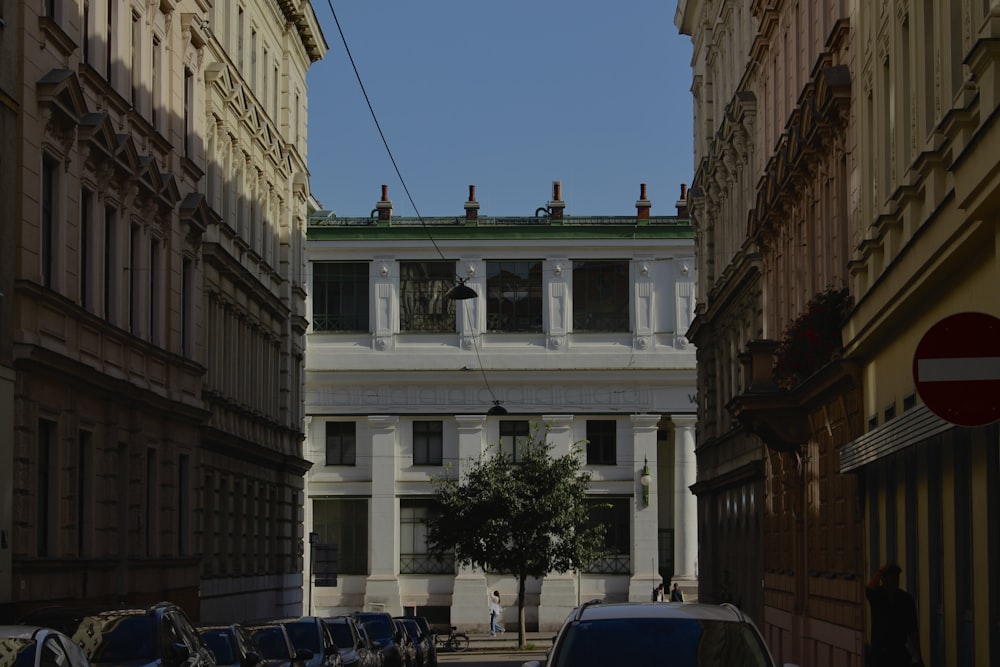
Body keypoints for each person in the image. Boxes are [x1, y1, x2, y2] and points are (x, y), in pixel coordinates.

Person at [866, 563, 923, 667]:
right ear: (883, 581)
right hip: (880, 655)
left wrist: (919, 656)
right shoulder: (878, 596)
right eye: (890, 581)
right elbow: (869, 590)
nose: (893, 584)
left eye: (896, 580)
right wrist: (880, 571)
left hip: (898, 653)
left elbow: (913, 631)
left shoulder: (906, 600)